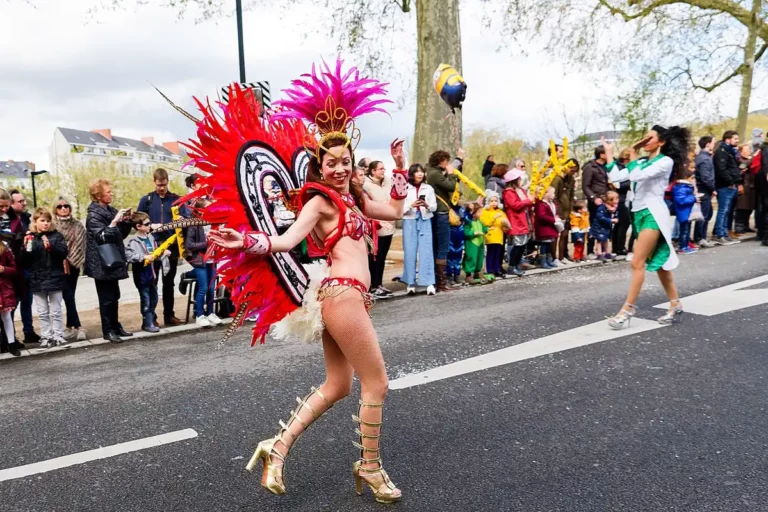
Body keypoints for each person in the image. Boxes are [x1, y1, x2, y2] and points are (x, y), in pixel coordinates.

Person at [205, 58, 405, 503]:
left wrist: (398, 170)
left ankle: (276, 448)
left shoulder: (353, 200)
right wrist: (245, 241)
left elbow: (393, 212)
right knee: (378, 384)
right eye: (331, 162)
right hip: (342, 296)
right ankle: (369, 467)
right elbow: (285, 240)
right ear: (320, 163)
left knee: (339, 385)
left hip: (349, 298)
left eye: (345, 161)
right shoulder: (319, 201)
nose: (338, 168)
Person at [602, 126, 688, 329]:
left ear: (661, 142)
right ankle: (675, 303)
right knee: (659, 265)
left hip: (653, 214)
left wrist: (632, 153)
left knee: (637, 262)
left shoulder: (665, 162)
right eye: (644, 137)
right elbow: (616, 178)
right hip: (638, 215)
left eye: (650, 137)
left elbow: (637, 176)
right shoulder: (640, 162)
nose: (645, 140)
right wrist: (608, 153)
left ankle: (627, 309)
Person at [85, 179, 134, 344]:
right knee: (106, 298)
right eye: (108, 192)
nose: (111, 193)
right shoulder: (93, 215)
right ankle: (108, 330)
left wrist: (126, 221)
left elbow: (120, 235)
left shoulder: (110, 210)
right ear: (98, 196)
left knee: (115, 295)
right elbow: (102, 236)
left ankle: (115, 325)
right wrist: (114, 222)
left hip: (113, 259)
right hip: (101, 262)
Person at [137, 168, 184, 326]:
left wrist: (182, 220)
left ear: (167, 182)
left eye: (163, 184)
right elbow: (137, 222)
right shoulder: (147, 200)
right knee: (152, 283)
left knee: (169, 283)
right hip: (152, 247)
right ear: (154, 182)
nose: (161, 188)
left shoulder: (176, 199)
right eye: (159, 185)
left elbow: (185, 221)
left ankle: (169, 315)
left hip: (172, 248)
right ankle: (152, 317)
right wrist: (151, 228)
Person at [22, 208, 69, 349]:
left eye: (48, 221)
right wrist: (25, 246)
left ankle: (58, 335)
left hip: (55, 277)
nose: (46, 224)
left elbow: (63, 252)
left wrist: (51, 246)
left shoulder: (56, 236)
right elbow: (25, 259)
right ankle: (46, 336)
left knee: (56, 310)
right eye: (42, 221)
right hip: (37, 279)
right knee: (42, 311)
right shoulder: (31, 237)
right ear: (35, 222)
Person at [125, 212, 168, 333]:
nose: (149, 226)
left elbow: (155, 253)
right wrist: (143, 257)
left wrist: (162, 252)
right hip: (142, 275)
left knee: (154, 298)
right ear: (138, 226)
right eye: (147, 224)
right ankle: (148, 322)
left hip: (152, 273)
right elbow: (129, 255)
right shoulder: (133, 241)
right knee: (146, 299)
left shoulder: (150, 237)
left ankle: (148, 321)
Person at [426, 149, 462, 291]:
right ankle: (441, 282)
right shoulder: (435, 174)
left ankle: (436, 280)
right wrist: (452, 174)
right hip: (441, 212)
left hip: (435, 213)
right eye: (446, 160)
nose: (447, 163)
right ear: (441, 161)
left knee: (436, 245)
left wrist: (459, 159)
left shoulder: (429, 169)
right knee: (443, 246)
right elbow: (451, 186)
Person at [53, 197, 87, 341]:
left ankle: (69, 326)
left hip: (73, 264)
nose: (63, 208)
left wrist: (73, 257)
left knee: (70, 294)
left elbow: (82, 242)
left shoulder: (77, 225)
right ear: (55, 208)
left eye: (66, 206)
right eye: (60, 206)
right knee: (67, 294)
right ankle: (78, 326)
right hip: (57, 264)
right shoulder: (52, 225)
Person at [185, 200, 224, 325]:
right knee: (203, 287)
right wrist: (206, 244)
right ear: (199, 210)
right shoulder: (194, 225)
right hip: (200, 260)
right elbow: (189, 245)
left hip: (212, 260)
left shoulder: (213, 224)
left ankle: (211, 313)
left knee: (211, 288)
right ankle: (200, 314)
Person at [401, 163, 437, 295]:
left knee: (426, 251)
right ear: (412, 174)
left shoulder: (428, 188)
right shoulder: (404, 188)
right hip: (409, 220)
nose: (420, 174)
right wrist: (411, 205)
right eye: (417, 172)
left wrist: (426, 205)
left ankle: (429, 283)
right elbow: (400, 209)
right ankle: (410, 282)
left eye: (422, 171)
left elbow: (434, 207)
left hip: (425, 220)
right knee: (410, 251)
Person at [8, 189, 38, 343]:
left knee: (28, 301)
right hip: (14, 268)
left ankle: (29, 332)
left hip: (28, 265)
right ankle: (9, 336)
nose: (24, 203)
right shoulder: (7, 221)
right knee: (12, 304)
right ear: (11, 204)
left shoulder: (27, 218)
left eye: (24, 200)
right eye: (20, 201)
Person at [363, 160, 395, 298]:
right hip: (375, 226)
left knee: (382, 257)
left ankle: (379, 284)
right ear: (373, 171)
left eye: (384, 168)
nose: (383, 171)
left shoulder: (388, 182)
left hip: (389, 225)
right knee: (373, 257)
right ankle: (372, 286)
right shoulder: (366, 185)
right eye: (380, 169)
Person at [503, 168, 534, 277]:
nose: (520, 180)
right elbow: (515, 205)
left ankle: (516, 265)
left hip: (524, 220)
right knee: (517, 245)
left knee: (522, 245)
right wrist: (528, 201)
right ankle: (512, 265)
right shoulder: (508, 192)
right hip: (516, 221)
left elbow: (526, 203)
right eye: (519, 178)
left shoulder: (521, 190)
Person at [713, 130, 742, 245]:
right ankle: (719, 234)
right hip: (725, 185)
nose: (737, 141)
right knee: (723, 210)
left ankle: (724, 233)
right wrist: (730, 181)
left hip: (731, 184)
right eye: (735, 139)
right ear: (728, 139)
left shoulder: (730, 152)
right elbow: (721, 169)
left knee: (727, 211)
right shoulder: (722, 152)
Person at [581, 146, 610, 256]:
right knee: (594, 225)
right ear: (602, 155)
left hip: (605, 200)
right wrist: (593, 198)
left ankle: (603, 250)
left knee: (604, 224)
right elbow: (585, 186)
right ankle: (590, 250)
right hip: (595, 201)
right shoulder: (590, 167)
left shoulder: (606, 167)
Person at [551, 157, 578, 263]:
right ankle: (554, 258)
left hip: (567, 212)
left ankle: (562, 257)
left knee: (565, 235)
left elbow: (571, 196)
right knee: (555, 236)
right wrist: (557, 212)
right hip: (558, 212)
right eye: (571, 169)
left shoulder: (571, 180)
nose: (573, 172)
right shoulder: (557, 179)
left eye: (575, 170)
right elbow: (554, 196)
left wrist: (570, 209)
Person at [694, 136, 716, 247]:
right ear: (707, 144)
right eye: (713, 142)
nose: (714, 144)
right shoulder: (704, 159)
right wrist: (712, 188)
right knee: (703, 214)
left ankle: (701, 237)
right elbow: (705, 177)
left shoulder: (704, 157)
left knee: (707, 213)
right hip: (704, 190)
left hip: (704, 188)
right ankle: (700, 238)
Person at [480, 192, 506, 278]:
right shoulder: (485, 211)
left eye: (496, 201)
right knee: (490, 253)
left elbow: (505, 221)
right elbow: (485, 223)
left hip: (499, 235)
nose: (494, 203)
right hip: (490, 235)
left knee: (498, 253)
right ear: (488, 202)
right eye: (491, 201)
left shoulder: (500, 211)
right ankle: (489, 269)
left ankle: (497, 269)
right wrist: (493, 218)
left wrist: (505, 225)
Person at [0, 237, 19, 356]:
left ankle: (11, 344)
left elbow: (14, 269)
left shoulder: (4, 249)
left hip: (4, 289)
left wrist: (4, 269)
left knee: (7, 318)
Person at [672, 168, 698, 255]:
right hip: (683, 212)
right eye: (691, 178)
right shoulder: (681, 188)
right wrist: (694, 198)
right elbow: (681, 201)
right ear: (686, 178)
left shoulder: (686, 187)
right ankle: (683, 247)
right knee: (684, 231)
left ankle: (686, 245)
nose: (693, 180)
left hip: (687, 212)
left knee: (686, 230)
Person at [611, 150, 632, 256]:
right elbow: (617, 184)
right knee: (623, 224)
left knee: (622, 224)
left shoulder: (622, 168)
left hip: (624, 197)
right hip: (621, 198)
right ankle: (619, 247)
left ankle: (618, 246)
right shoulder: (620, 168)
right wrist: (630, 183)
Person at [534, 186, 560, 269]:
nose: (554, 195)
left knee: (549, 244)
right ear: (546, 194)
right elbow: (542, 216)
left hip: (551, 227)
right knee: (544, 244)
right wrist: (553, 220)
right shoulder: (541, 204)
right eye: (552, 193)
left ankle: (549, 259)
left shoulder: (551, 203)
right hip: (544, 228)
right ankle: (543, 261)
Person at [589, 191, 619, 260]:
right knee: (599, 240)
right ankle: (599, 253)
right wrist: (610, 220)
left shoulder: (613, 208)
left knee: (605, 240)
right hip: (599, 226)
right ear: (609, 200)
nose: (617, 200)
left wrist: (616, 218)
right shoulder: (601, 208)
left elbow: (616, 214)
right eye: (615, 199)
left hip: (606, 226)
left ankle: (607, 252)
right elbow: (600, 217)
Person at [462, 202, 487, 284]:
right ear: (473, 213)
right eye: (479, 212)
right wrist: (473, 233)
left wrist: (487, 230)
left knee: (480, 258)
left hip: (480, 243)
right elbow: (466, 232)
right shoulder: (468, 222)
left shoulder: (479, 221)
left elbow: (483, 228)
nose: (481, 213)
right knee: (471, 257)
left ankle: (477, 273)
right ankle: (468, 275)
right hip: (472, 243)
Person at [734, 143, 757, 234]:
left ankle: (746, 225)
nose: (748, 151)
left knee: (749, 207)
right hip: (744, 185)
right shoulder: (740, 160)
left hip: (751, 186)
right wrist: (752, 158)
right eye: (746, 149)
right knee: (742, 207)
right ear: (741, 151)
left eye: (748, 149)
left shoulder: (749, 159)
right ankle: (739, 226)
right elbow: (742, 166)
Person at [446, 200, 468, 285]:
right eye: (457, 198)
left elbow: (467, 219)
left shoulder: (461, 210)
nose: (460, 200)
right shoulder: (449, 210)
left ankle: (457, 274)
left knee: (458, 255)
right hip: (451, 235)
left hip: (460, 236)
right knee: (450, 255)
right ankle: (449, 275)